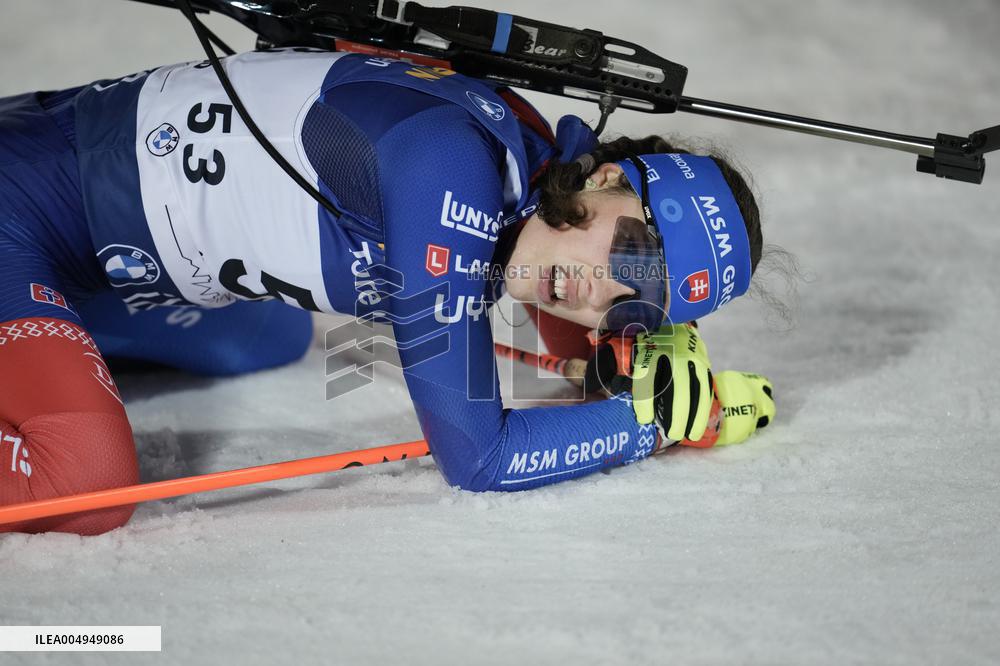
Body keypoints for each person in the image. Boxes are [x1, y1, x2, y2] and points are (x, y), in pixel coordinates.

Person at [0, 48, 774, 536]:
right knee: (86, 484)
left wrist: (636, 354)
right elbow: (479, 457)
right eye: (632, 250)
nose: (597, 287)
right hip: (17, 207)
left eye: (633, 300)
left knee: (266, 335)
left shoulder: (536, 168)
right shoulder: (450, 170)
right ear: (604, 178)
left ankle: (39, 339)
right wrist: (648, 423)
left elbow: (571, 304)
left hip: (86, 242)